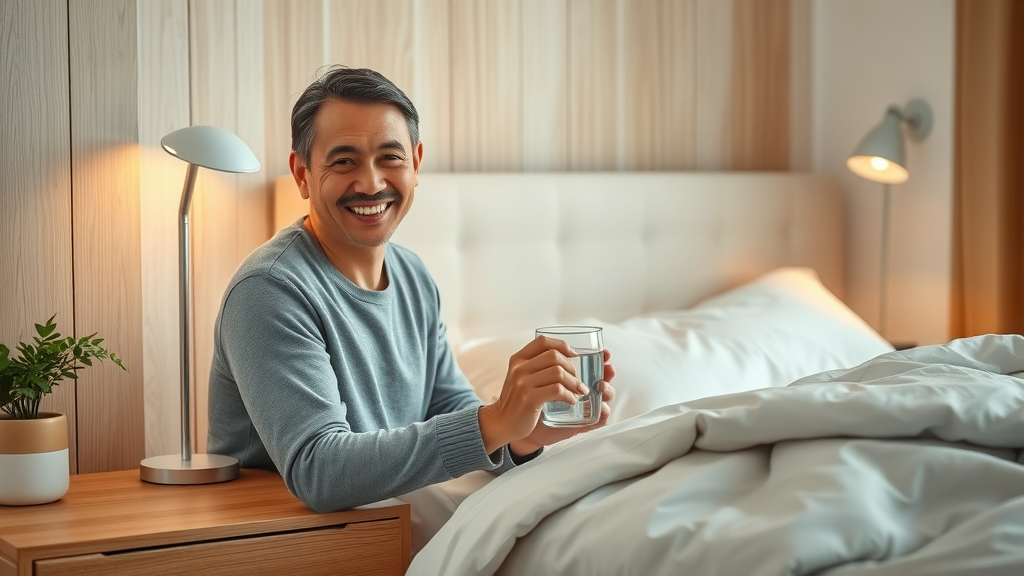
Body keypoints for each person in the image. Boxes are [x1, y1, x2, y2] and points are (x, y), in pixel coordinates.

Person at [207, 66, 616, 512]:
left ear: (416, 163)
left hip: (388, 525)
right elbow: (318, 470)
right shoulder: (270, 290)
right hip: (290, 537)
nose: (371, 183)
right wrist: (496, 421)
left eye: (390, 157)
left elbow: (448, 405)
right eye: (343, 161)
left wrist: (524, 435)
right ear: (302, 174)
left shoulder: (412, 275)